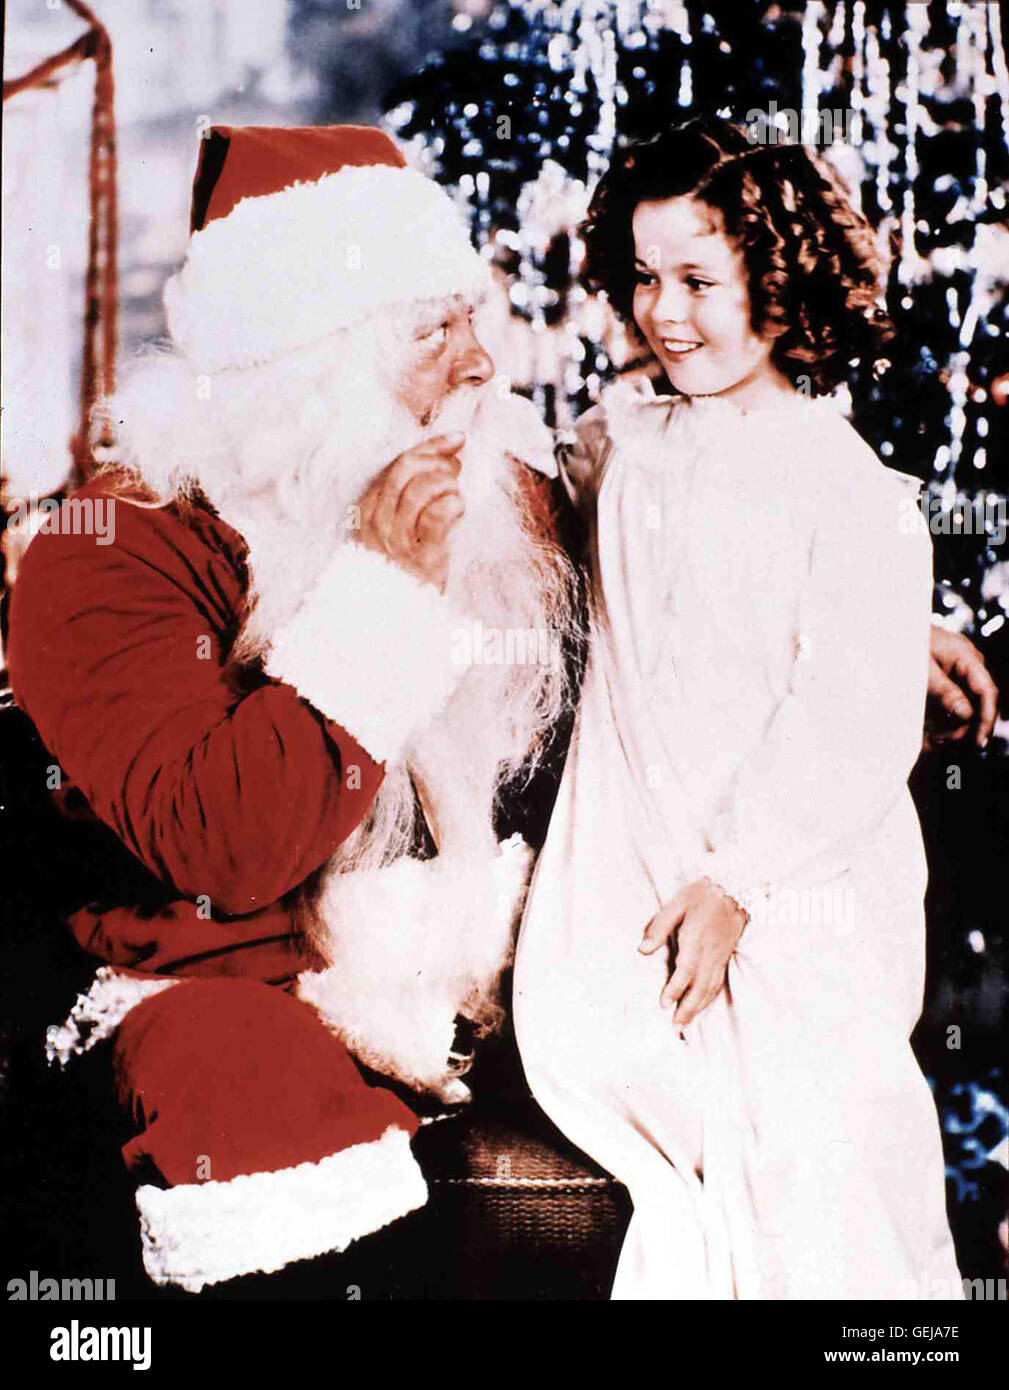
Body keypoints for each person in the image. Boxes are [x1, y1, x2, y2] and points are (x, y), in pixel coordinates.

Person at [6, 124, 578, 1293]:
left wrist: (851, 626)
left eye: (474, 319)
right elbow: (225, 843)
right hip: (235, 994)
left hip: (498, 989)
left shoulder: (500, 488)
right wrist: (379, 590)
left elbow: (688, 579)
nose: (480, 366)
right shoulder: (113, 549)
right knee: (236, 1073)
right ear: (309, 367)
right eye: (432, 333)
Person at [514, 116, 969, 1299]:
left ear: (777, 280)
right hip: (631, 869)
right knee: (667, 1111)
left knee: (816, 1159)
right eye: (646, 279)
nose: (666, 313)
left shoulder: (844, 486)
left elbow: (848, 717)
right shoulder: (622, 448)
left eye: (701, 281)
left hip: (789, 881)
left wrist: (741, 881)